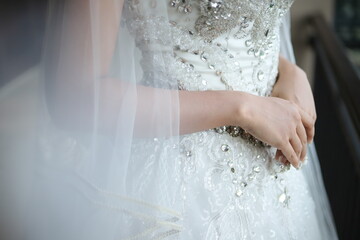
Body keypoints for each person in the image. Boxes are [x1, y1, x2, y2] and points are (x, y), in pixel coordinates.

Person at [0, 0, 338, 239]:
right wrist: (241, 108)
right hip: (180, 185)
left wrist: (290, 71)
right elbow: (74, 97)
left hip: (277, 180)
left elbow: (238, 30)